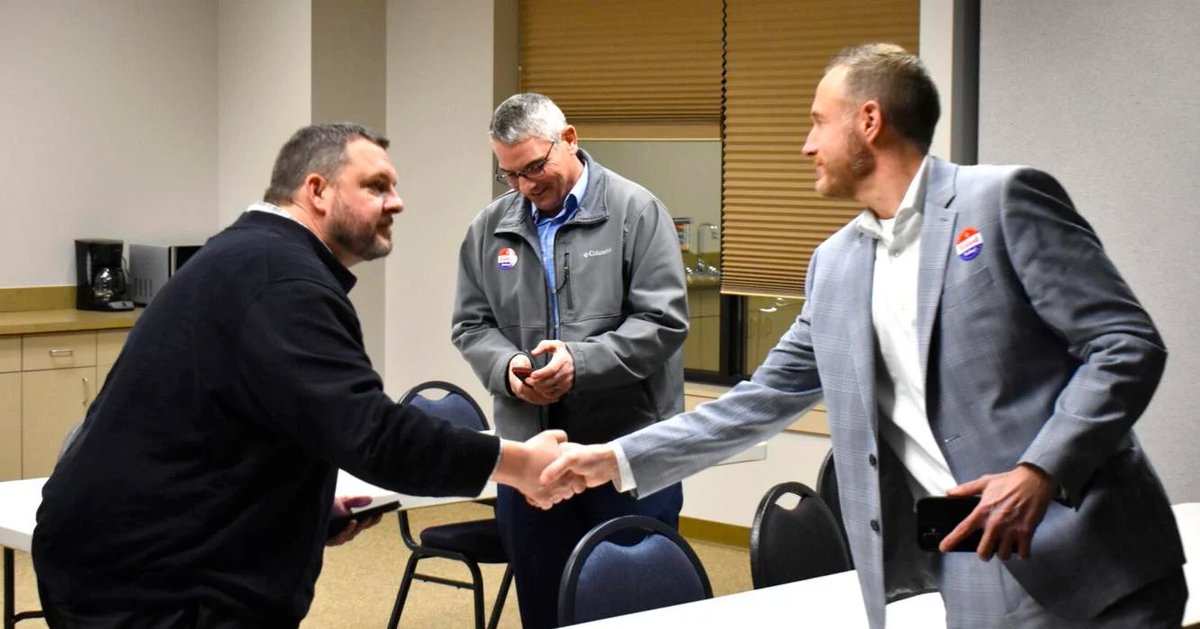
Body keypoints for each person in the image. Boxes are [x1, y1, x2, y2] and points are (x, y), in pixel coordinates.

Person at [542, 44, 1186, 628]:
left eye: (819, 122)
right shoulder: (836, 265)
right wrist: (612, 459)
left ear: (869, 122)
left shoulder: (1001, 202)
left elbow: (1125, 343)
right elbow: (757, 402)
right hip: (970, 578)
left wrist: (1038, 470)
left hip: (1097, 566)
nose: (806, 145)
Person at [33, 123, 566, 628]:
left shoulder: (252, 257)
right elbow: (375, 436)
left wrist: (299, 507)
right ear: (317, 190)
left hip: (130, 554)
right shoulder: (284, 281)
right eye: (376, 186)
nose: (397, 202)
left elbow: (257, 419)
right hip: (156, 580)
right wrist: (516, 464)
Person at [451, 93, 689, 628]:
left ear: (571, 140)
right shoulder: (488, 229)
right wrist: (509, 369)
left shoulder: (636, 212)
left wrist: (580, 363)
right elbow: (471, 325)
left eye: (535, 166)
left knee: (636, 612)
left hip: (626, 453)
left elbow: (664, 322)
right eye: (510, 175)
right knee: (544, 605)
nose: (526, 186)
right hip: (531, 461)